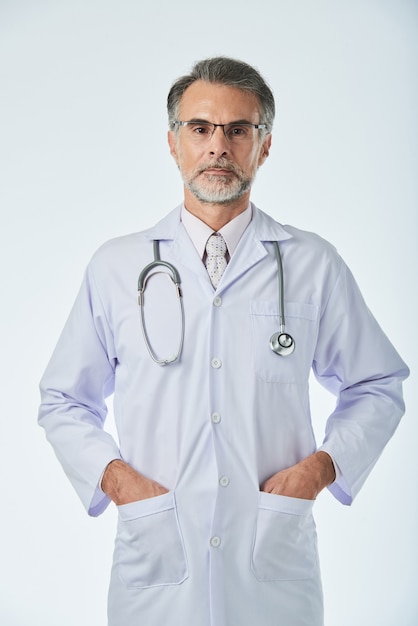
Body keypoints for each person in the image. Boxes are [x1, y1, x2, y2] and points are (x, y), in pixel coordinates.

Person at [38, 57, 409, 626]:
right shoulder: (117, 267)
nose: (219, 146)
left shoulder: (311, 264)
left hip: (271, 568)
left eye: (239, 129)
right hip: (158, 567)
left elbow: (377, 383)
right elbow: (63, 400)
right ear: (172, 142)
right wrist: (117, 480)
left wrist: (322, 468)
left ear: (264, 146)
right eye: (201, 128)